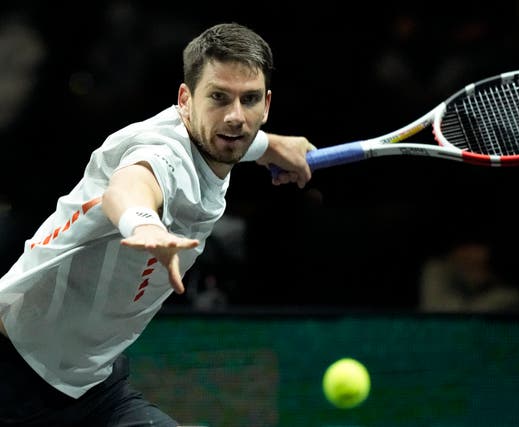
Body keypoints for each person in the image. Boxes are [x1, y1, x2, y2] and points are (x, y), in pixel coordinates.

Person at [0, 22, 314, 426]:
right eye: (218, 97)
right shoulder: (164, 153)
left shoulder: (221, 138)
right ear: (185, 100)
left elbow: (237, 134)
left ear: (266, 105)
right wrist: (143, 224)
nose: (236, 116)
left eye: (249, 99)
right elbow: (129, 186)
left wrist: (271, 145)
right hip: (14, 373)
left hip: (93, 384)